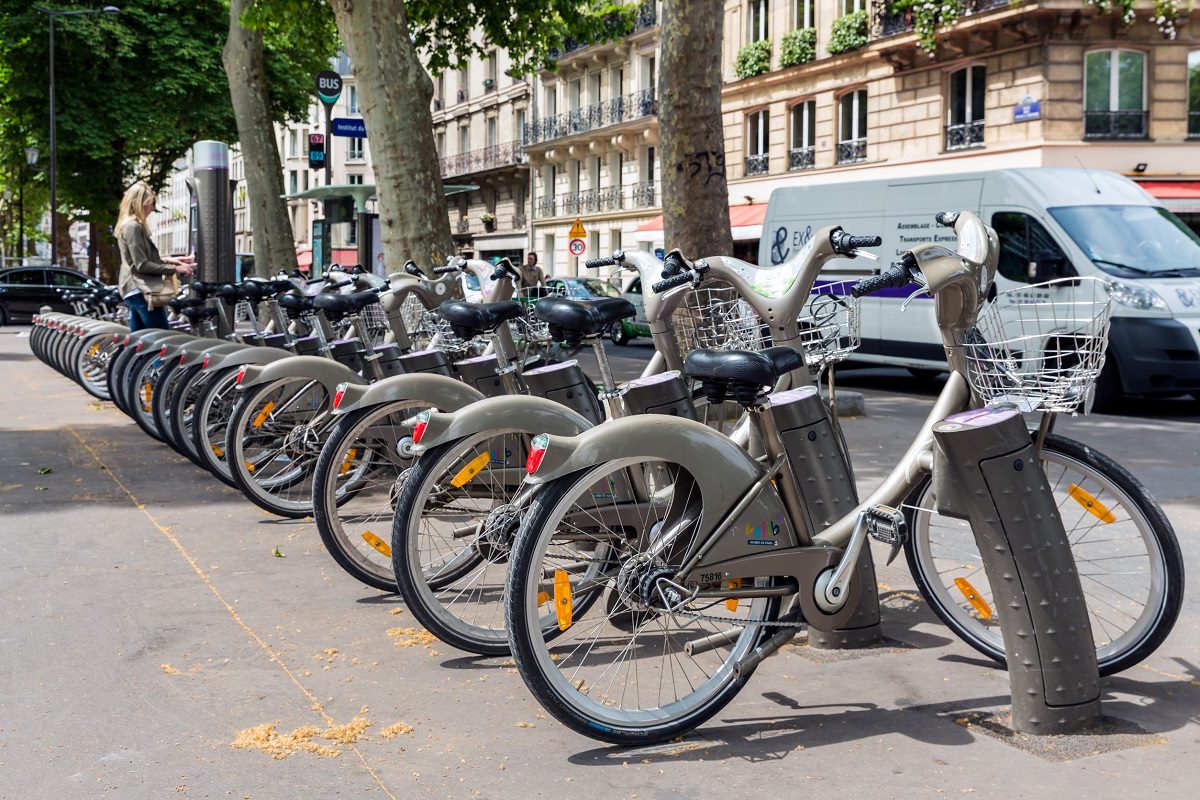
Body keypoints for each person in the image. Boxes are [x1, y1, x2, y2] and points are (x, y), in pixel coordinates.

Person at [116, 183, 193, 331]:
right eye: (150, 204)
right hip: (141, 290)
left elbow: (138, 260)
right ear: (139, 203)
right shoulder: (133, 227)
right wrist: (174, 269)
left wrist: (170, 260)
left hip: (133, 289)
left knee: (141, 341)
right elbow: (141, 265)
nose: (151, 209)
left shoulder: (128, 226)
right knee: (161, 338)